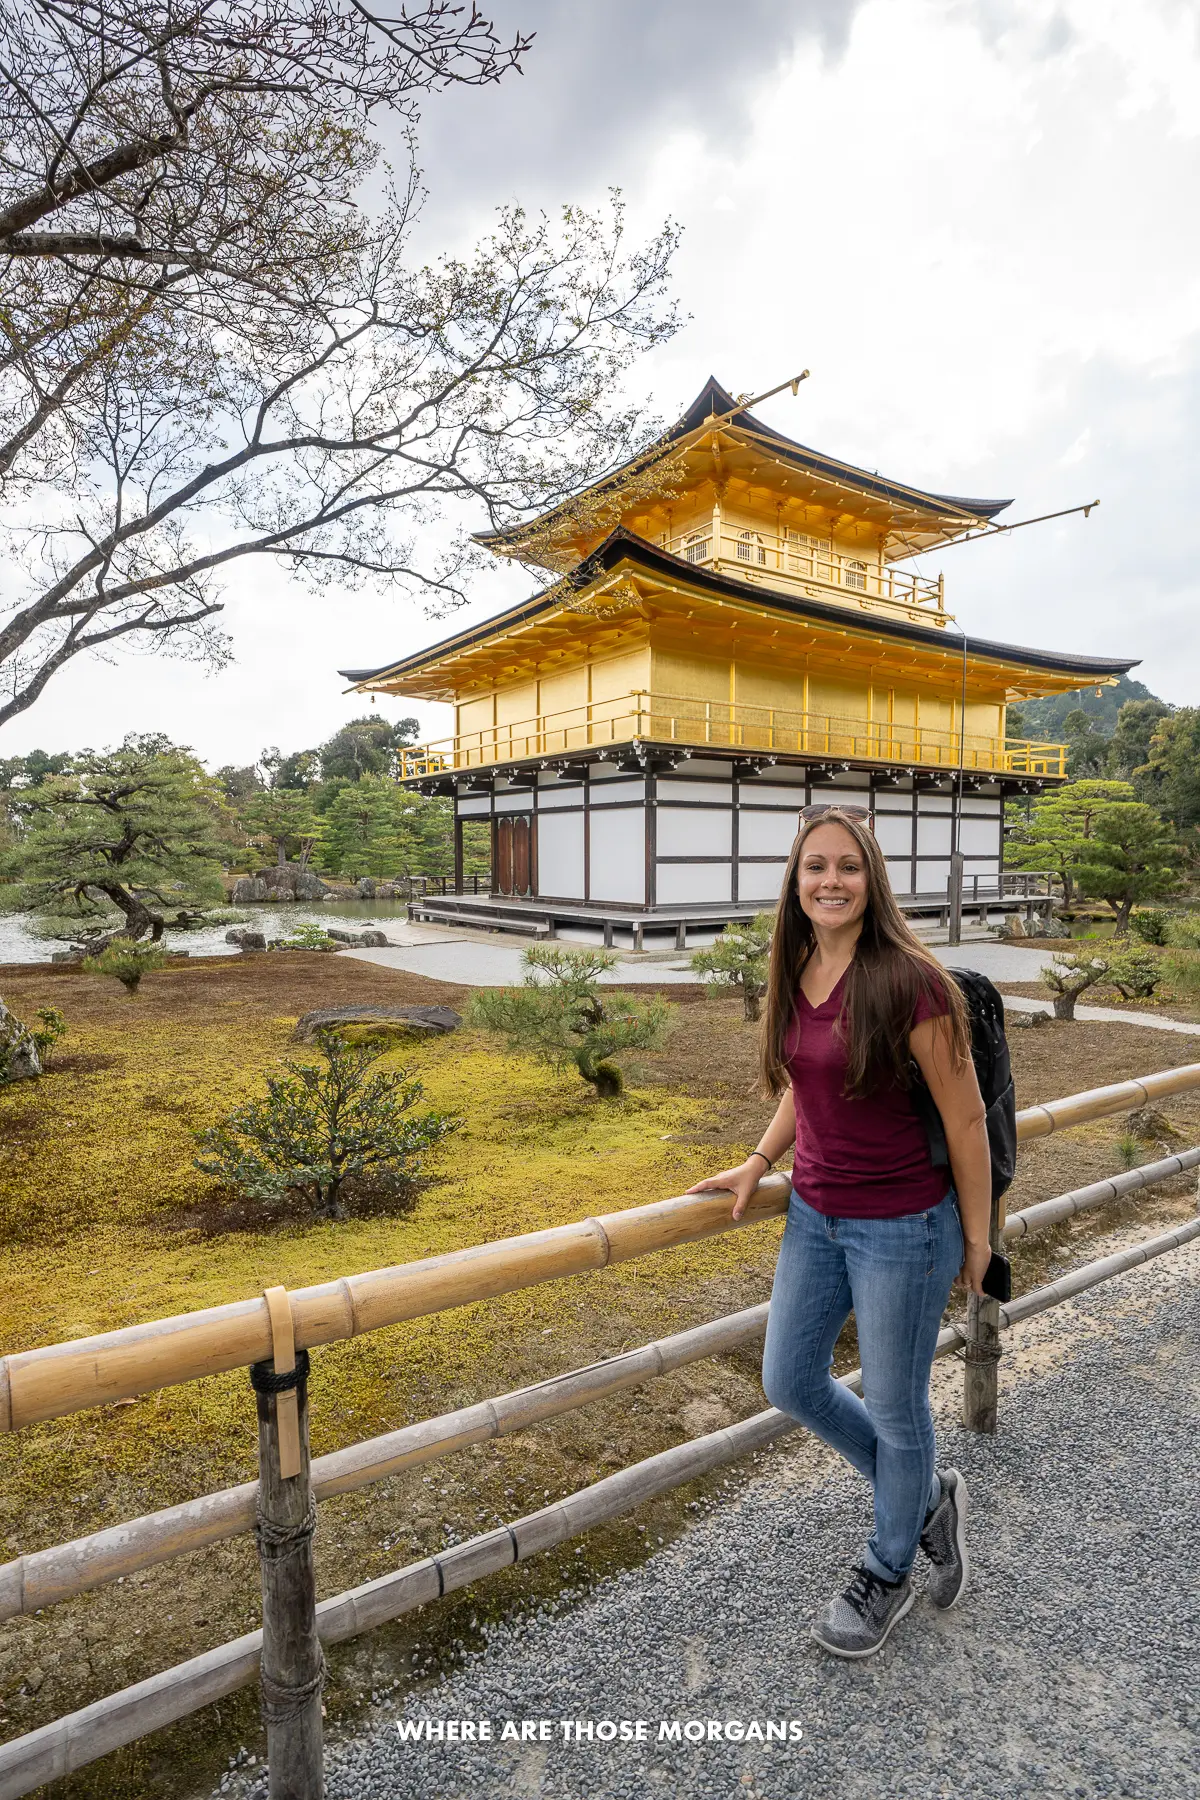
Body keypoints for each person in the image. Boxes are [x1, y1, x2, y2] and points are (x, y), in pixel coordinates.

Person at [687, 804, 992, 1658]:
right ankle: (926, 1499)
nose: (831, 881)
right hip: (815, 1216)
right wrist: (759, 1160)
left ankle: (889, 1567)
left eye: (848, 867)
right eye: (815, 866)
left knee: (895, 1406)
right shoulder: (796, 967)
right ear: (795, 881)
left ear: (872, 880)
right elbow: (806, 1080)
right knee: (789, 1380)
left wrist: (978, 1241)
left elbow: (966, 1120)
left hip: (905, 1226)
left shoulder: (910, 981)